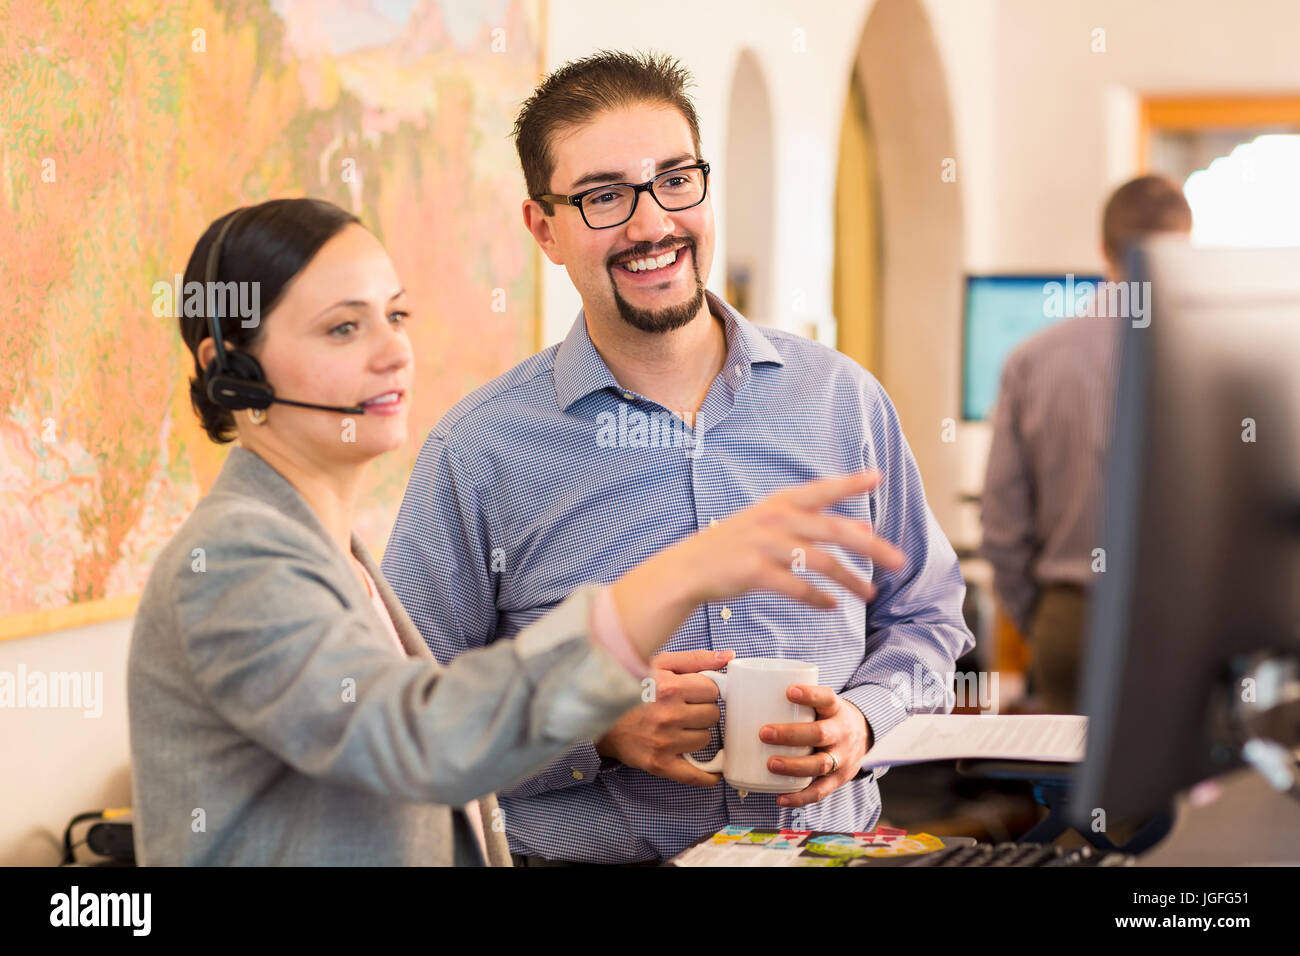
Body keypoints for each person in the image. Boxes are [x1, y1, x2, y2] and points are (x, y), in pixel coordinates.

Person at [127, 197, 900, 865]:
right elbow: (425, 738)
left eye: (395, 316)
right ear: (231, 367)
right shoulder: (234, 558)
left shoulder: (327, 547)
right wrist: (675, 579)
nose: (394, 351)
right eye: (342, 330)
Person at [381, 51, 973, 865]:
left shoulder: (841, 401)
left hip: (828, 851)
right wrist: (591, 729)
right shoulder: (478, 451)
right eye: (603, 197)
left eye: (675, 180)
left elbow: (926, 617)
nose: (653, 223)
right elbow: (409, 716)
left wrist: (865, 717)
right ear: (544, 229)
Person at [980, 175, 1193, 714]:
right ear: (1186, 245)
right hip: (1188, 624)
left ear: (1103, 249)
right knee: (1193, 793)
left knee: (1073, 789)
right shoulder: (1226, 356)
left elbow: (1002, 526)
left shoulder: (1033, 361)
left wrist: (1049, 618)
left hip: (1074, 623)